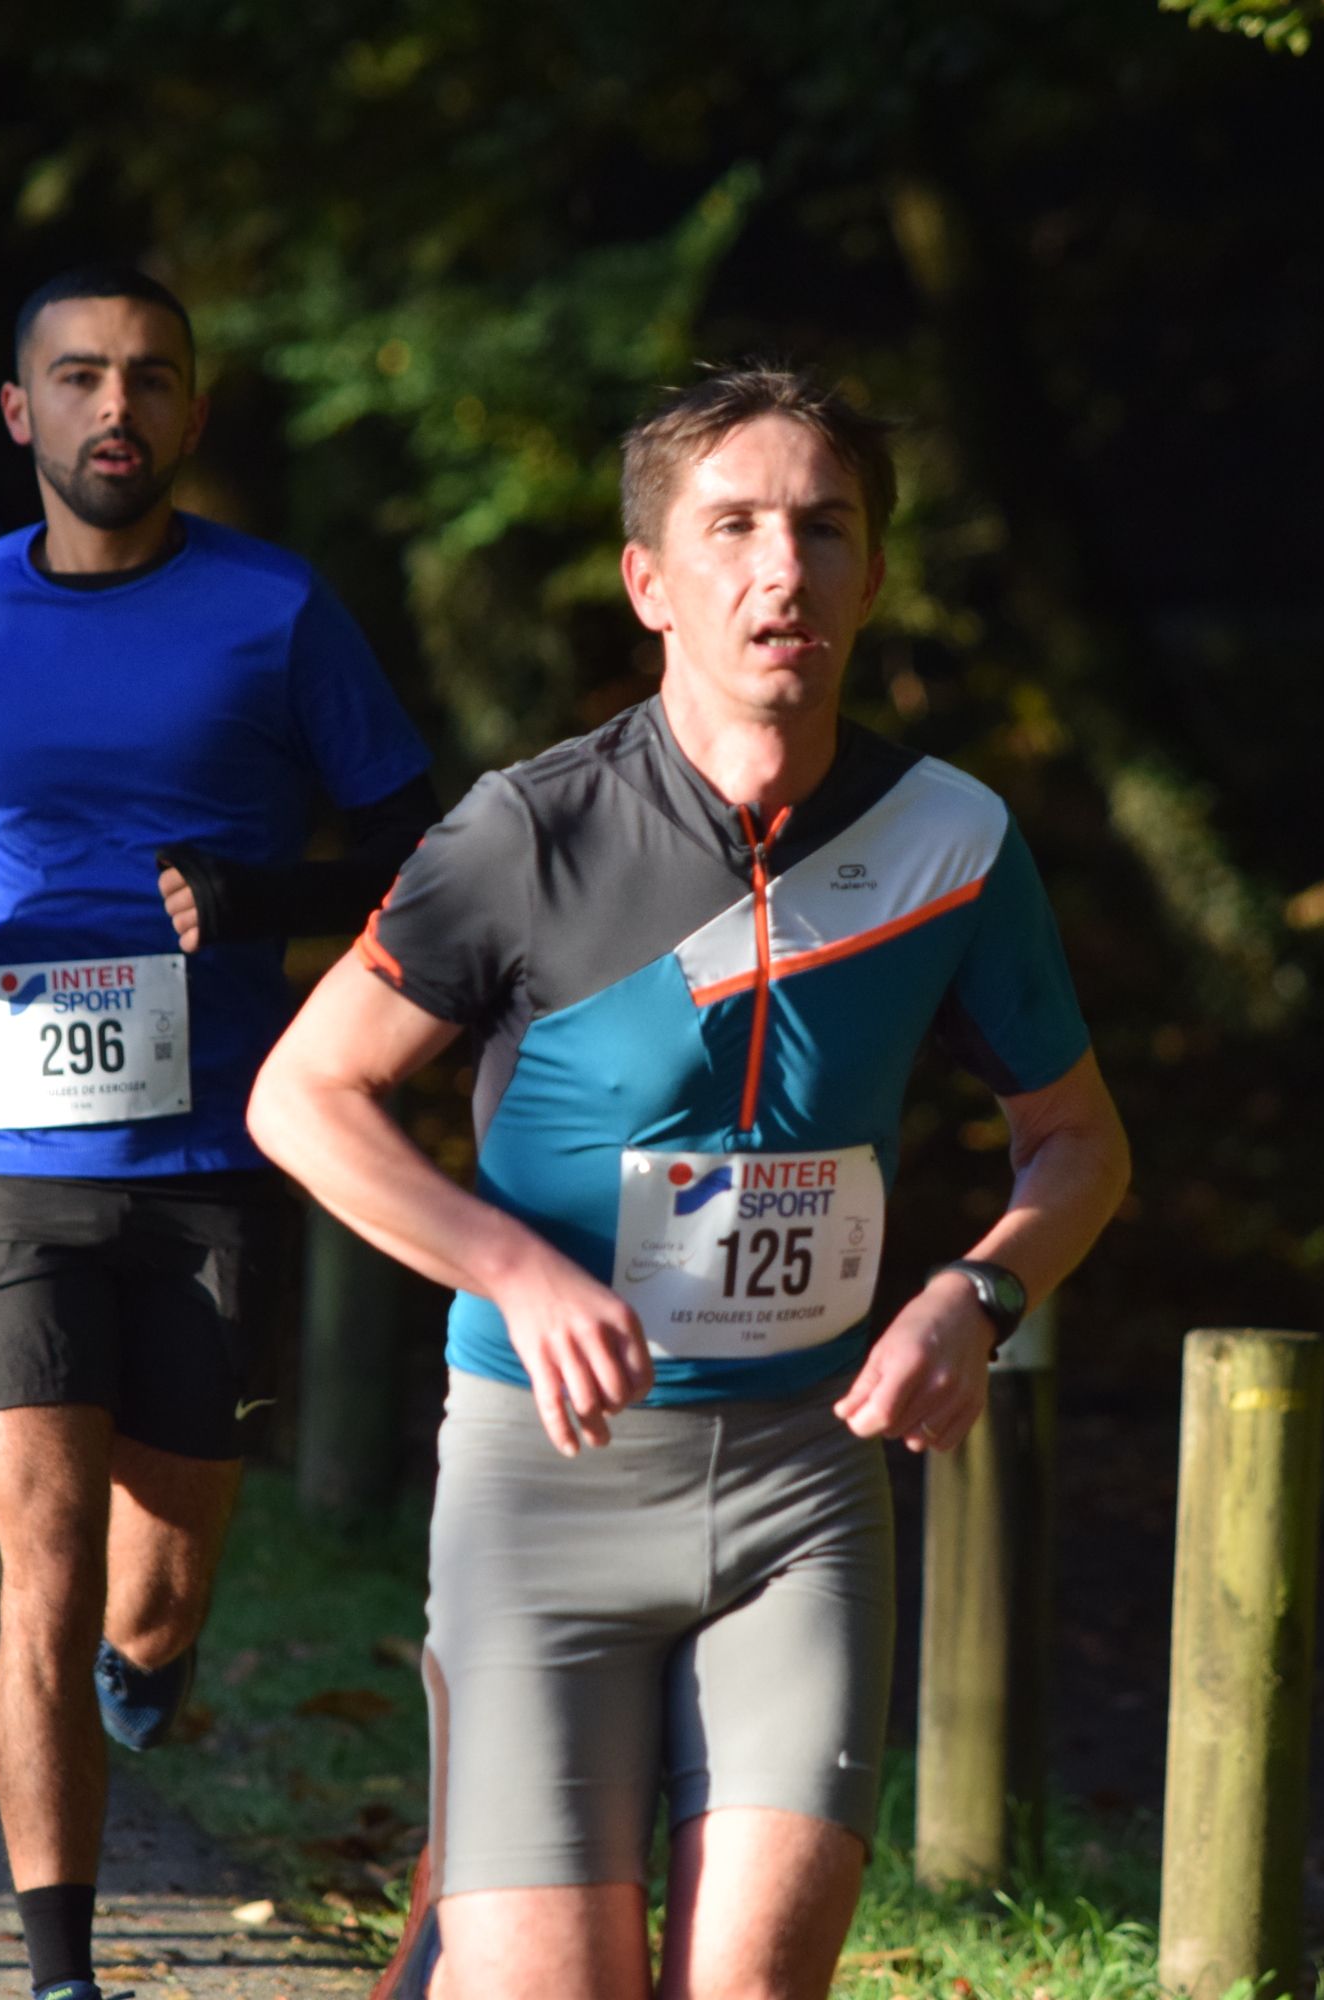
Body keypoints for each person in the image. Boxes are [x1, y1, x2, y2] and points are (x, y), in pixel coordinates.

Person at [246, 365, 1133, 2000]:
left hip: (806, 1486)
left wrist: (979, 1292)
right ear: (650, 581)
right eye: (733, 528)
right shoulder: (530, 832)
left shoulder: (953, 842)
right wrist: (514, 1271)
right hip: (546, 1478)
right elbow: (304, 1097)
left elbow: (1078, 1140)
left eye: (824, 528)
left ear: (873, 574)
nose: (782, 568)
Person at [0, 262, 436, 2000]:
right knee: (47, 1570)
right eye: (78, 375)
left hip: (214, 1163)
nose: (115, 405)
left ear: (192, 413)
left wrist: (263, 898)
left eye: (149, 376)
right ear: (21, 412)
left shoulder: (276, 609)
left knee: (150, 1603)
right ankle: (60, 1970)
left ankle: (158, 1659)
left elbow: (422, 856)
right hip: (2, 1170)